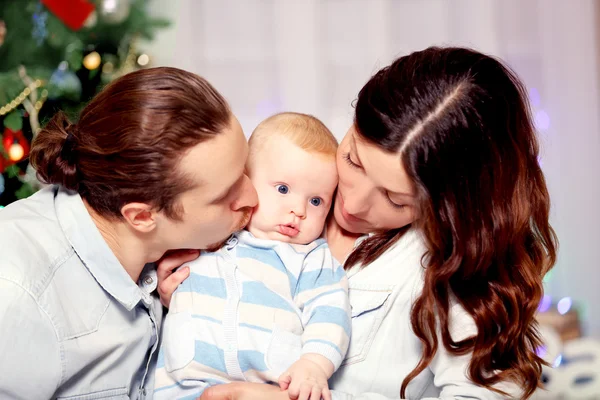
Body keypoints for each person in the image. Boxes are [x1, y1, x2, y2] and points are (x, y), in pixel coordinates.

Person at [158, 47, 558, 400]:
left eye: (395, 199)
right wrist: (174, 291)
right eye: (353, 160)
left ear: (449, 207)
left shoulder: (454, 273)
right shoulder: (278, 191)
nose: (352, 200)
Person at [0, 67, 257, 399]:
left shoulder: (173, 249)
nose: (253, 198)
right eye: (225, 196)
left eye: (245, 170)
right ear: (142, 216)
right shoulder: (18, 297)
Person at [154, 112, 350, 400]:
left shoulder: (310, 258)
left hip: (265, 389)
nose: (299, 209)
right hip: (183, 387)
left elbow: (331, 312)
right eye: (283, 189)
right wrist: (173, 297)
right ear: (245, 180)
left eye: (316, 200)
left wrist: (314, 364)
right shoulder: (212, 231)